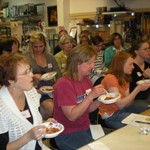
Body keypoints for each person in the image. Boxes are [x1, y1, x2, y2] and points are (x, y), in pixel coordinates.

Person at [53, 45, 107, 150]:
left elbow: (89, 108)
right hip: (67, 134)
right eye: (89, 63)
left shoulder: (86, 80)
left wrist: (101, 99)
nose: (92, 66)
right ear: (77, 63)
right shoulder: (64, 84)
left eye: (93, 62)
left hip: (85, 127)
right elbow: (72, 116)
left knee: (111, 141)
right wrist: (91, 96)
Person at [0, 53, 57, 150]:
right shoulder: (2, 108)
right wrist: (28, 137)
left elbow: (31, 123)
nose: (32, 75)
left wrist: (44, 124)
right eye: (26, 72)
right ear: (11, 80)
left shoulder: (31, 93)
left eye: (30, 70)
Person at [99, 52, 150, 129]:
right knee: (139, 126)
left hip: (121, 110)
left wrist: (138, 89)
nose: (133, 67)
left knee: (146, 110)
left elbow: (127, 104)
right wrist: (137, 89)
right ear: (121, 65)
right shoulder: (110, 78)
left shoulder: (125, 77)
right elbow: (120, 104)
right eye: (130, 64)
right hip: (111, 115)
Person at [25, 31, 62, 119]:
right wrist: (33, 77)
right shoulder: (26, 58)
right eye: (35, 47)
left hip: (51, 88)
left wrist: (57, 86)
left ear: (45, 45)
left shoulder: (49, 57)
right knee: (51, 108)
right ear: (31, 46)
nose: (38, 49)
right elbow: (22, 77)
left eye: (41, 46)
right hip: (35, 89)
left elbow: (59, 75)